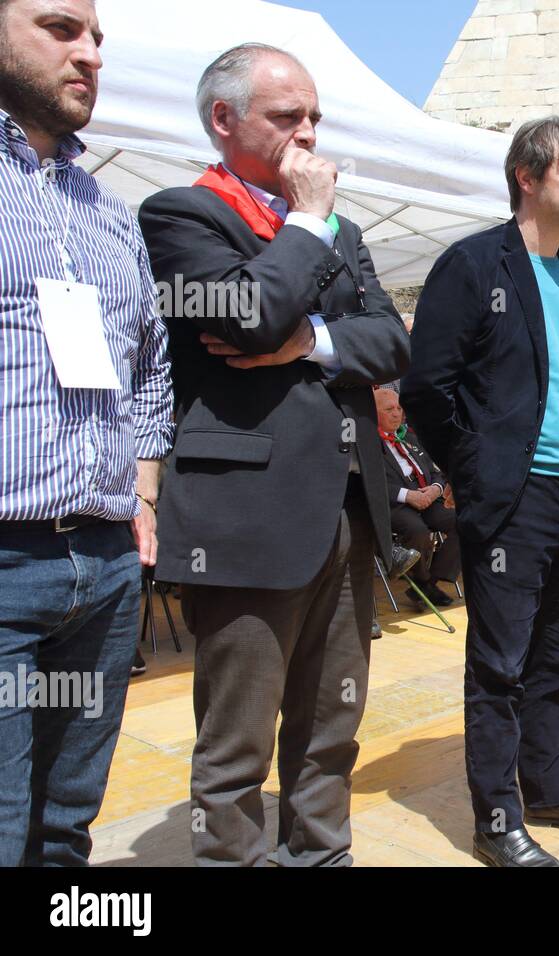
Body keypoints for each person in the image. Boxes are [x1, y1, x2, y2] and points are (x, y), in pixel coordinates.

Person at [138, 43, 410, 866]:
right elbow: (247, 316)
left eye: (316, 118)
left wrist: (314, 340)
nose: (309, 136)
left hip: (349, 507)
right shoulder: (182, 214)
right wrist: (305, 223)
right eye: (288, 117)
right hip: (246, 516)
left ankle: (322, 854)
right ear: (224, 121)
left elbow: (392, 342)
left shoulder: (343, 228)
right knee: (236, 744)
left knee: (332, 725)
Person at [402, 116, 559, 867]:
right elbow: (427, 389)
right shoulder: (473, 265)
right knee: (500, 663)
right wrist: (477, 475)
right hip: (515, 497)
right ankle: (496, 819)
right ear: (527, 178)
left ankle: (549, 788)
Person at [0, 0, 174, 866]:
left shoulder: (109, 211)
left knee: (65, 831)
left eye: (98, 37)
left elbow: (150, 364)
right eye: (61, 28)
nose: (91, 53)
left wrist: (141, 491)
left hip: (105, 564)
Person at [375, 387, 459, 608]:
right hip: (396, 503)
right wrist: (407, 495)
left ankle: (429, 582)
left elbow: (437, 472)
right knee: (418, 531)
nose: (396, 414)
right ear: (374, 413)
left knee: (466, 520)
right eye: (389, 409)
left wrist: (436, 489)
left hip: (428, 496)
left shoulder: (410, 437)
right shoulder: (368, 445)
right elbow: (372, 484)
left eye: (399, 408)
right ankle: (422, 582)